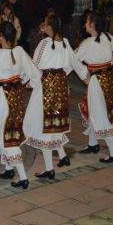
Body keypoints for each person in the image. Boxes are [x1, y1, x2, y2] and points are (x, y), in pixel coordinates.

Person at [0, 21, 41, 189]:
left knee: (7, 134)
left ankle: (23, 177)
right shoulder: (20, 51)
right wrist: (26, 83)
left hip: (4, 97)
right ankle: (8, 168)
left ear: (0, 36)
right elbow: (35, 73)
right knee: (8, 129)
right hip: (16, 94)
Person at [25, 15, 80, 180]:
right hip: (60, 86)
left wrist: (29, 82)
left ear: (49, 27)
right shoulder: (65, 43)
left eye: (45, 26)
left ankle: (49, 169)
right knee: (53, 123)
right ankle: (62, 156)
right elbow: (72, 63)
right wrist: (64, 76)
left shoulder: (44, 43)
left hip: (45, 87)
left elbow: (35, 66)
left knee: (40, 124)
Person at [74, 12, 113, 165]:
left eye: (87, 22)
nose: (85, 25)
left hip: (97, 82)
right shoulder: (107, 37)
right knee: (93, 109)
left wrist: (85, 75)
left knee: (100, 115)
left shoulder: (87, 43)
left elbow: (73, 60)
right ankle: (93, 144)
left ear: (93, 25)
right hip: (109, 79)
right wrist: (112, 62)